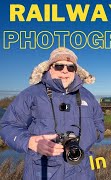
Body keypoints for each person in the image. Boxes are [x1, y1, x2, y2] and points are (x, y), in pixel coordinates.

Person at [0, 47, 105, 180]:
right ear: (50, 68)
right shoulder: (31, 94)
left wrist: (90, 137)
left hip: (82, 172)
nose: (65, 70)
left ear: (76, 71)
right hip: (42, 173)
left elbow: (99, 124)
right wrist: (30, 142)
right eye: (59, 66)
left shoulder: (88, 97)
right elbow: (7, 125)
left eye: (70, 67)